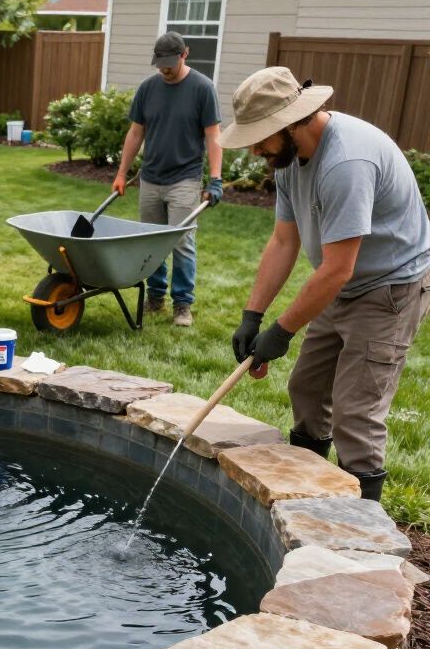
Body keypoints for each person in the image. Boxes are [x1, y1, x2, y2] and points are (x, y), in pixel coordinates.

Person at [223, 67, 430, 502]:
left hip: (390, 289)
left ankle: (360, 534)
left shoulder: (346, 163)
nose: (256, 148)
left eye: (261, 136)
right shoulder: (286, 160)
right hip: (342, 283)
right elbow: (284, 240)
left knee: (357, 412)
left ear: (292, 121)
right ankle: (306, 502)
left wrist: (280, 333)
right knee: (307, 389)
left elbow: (338, 269)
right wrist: (252, 315)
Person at [111, 31, 223, 328]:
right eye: (161, 64)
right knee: (151, 242)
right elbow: (136, 133)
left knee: (182, 242)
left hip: (184, 179)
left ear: (185, 54)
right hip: (150, 178)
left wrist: (215, 178)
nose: (165, 69)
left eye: (170, 63)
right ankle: (155, 297)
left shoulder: (203, 88)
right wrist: (122, 173)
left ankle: (183, 304)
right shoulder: (148, 88)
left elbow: (213, 136)